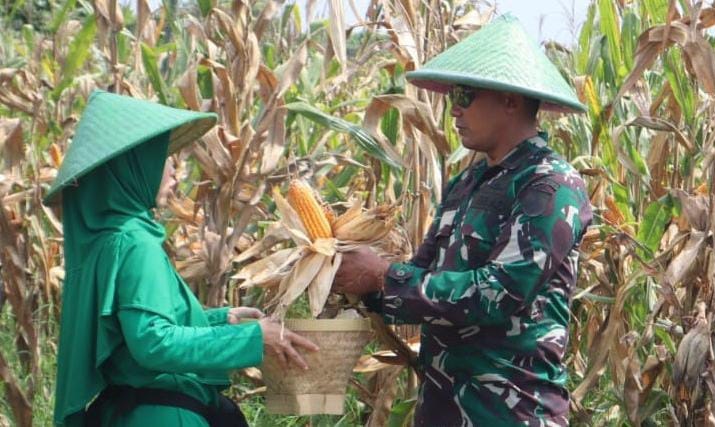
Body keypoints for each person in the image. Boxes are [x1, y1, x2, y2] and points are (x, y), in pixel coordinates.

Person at [332, 14, 592, 426]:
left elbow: (502, 292)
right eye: (453, 94)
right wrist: (353, 280)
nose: (454, 109)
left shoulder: (551, 186)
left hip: (512, 411)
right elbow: (422, 278)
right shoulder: (467, 182)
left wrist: (384, 277)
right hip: (442, 408)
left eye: (466, 95)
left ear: (510, 101)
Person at [45, 90, 318, 426]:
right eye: (162, 157)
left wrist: (220, 320)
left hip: (125, 413)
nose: (175, 169)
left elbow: (130, 329)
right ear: (133, 167)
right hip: (164, 416)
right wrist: (252, 338)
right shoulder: (135, 243)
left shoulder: (103, 239)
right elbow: (153, 343)